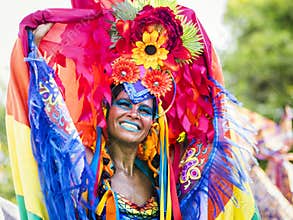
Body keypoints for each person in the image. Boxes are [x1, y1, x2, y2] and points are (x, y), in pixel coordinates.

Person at [6, 0, 261, 219]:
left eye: (145, 110)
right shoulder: (86, 164)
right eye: (124, 104)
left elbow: (210, 134)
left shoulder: (162, 174)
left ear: (154, 121)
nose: (134, 114)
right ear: (106, 109)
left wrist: (204, 64)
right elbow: (52, 127)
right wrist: (34, 53)